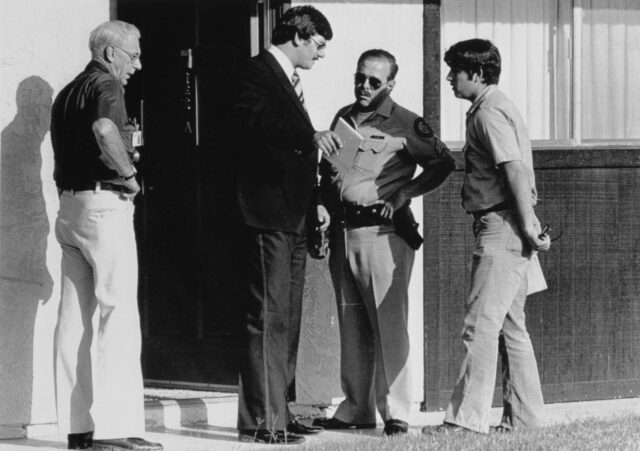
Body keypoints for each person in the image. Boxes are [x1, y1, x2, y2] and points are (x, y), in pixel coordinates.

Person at [312, 49, 455, 436]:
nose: (364, 86)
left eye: (375, 81)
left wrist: (406, 192)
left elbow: (443, 163)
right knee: (352, 323)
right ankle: (356, 408)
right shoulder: (343, 116)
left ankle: (396, 411)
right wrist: (322, 207)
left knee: (388, 324)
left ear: (390, 84)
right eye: (360, 78)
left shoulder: (406, 123)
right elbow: (329, 170)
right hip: (343, 232)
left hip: (384, 234)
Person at [423, 38, 551, 436]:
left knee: (479, 325)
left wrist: (528, 224)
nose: (448, 78)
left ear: (476, 74)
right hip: (509, 225)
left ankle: (464, 421)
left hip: (502, 226)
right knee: (511, 325)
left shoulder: (489, 112)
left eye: (455, 72)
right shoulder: (495, 105)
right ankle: (525, 420)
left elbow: (513, 169)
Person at [229, 5, 342, 445]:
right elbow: (256, 123)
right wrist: (308, 135)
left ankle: (280, 410)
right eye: (318, 45)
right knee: (268, 316)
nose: (321, 55)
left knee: (288, 318)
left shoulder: (290, 82)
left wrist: (315, 201)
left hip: (294, 214)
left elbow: (293, 152)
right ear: (298, 35)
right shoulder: (255, 73)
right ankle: (262, 420)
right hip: (266, 214)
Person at [50, 20, 162, 451]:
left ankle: (78, 429)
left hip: (70, 208)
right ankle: (118, 430)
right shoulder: (107, 87)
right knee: (118, 314)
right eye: (133, 55)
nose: (137, 64)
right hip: (103, 206)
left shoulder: (67, 92)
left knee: (73, 319)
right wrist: (130, 175)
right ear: (111, 53)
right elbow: (103, 130)